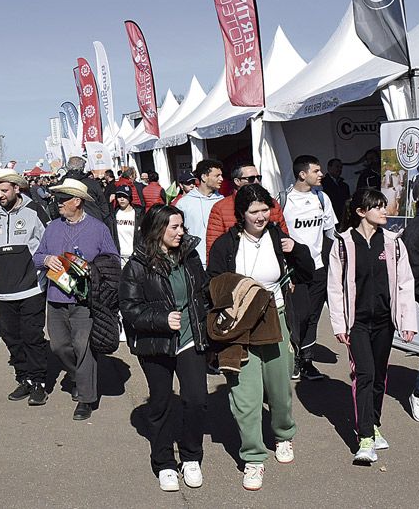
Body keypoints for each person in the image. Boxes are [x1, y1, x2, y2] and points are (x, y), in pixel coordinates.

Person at [207, 184, 311, 490]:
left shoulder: (278, 237)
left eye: (265, 209)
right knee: (245, 393)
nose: (261, 216)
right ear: (241, 214)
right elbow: (213, 283)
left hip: (276, 318)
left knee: (279, 388)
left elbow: (307, 273)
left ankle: (283, 435)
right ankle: (253, 457)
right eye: (254, 211)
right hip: (240, 327)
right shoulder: (226, 245)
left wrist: (298, 250)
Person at [119, 205, 210, 493]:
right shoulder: (137, 265)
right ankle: (164, 462)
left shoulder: (189, 256)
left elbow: (202, 291)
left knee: (196, 399)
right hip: (155, 344)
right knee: (160, 403)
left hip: (190, 338)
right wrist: (160, 319)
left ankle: (191, 455)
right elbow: (129, 309)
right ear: (158, 229)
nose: (181, 232)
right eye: (175, 227)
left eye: (182, 226)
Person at [327, 189, 419, 464]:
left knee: (380, 374)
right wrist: (339, 324)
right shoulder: (343, 244)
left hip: (384, 321)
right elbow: (335, 288)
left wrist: (407, 321)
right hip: (356, 322)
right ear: (360, 212)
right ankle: (365, 437)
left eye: (384, 206)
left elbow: (405, 284)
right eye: (378, 207)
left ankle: (374, 423)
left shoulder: (393, 243)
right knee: (364, 373)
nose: (384, 211)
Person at [34, 178, 120, 420]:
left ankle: (86, 397)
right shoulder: (52, 227)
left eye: (63, 199)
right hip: (56, 297)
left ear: (77, 201)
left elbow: (113, 260)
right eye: (58, 198)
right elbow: (37, 256)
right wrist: (46, 260)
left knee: (83, 347)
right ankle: (78, 375)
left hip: (85, 299)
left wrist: (91, 268)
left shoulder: (98, 228)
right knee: (59, 346)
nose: (58, 203)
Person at [0, 170, 51, 405]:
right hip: (3, 290)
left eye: (4, 190)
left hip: (31, 287)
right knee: (12, 338)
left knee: (32, 336)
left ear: (17, 189)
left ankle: (39, 382)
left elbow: (49, 240)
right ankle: (24, 379)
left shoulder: (34, 211)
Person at [281, 155, 337, 380]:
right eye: (316, 170)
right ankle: (292, 356)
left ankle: (306, 361)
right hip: (294, 270)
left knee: (313, 316)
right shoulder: (284, 199)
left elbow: (331, 232)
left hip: (319, 268)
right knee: (298, 316)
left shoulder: (322, 198)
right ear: (302, 174)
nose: (320, 174)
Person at [205, 163, 287, 262]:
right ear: (237, 181)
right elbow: (213, 247)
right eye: (251, 178)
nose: (256, 181)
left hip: (271, 263)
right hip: (237, 269)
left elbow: (284, 238)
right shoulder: (220, 208)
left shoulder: (272, 203)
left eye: (258, 177)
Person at [173, 159, 224, 266]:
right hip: (193, 260)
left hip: (219, 261)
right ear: (204, 177)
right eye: (217, 176)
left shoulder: (223, 201)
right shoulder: (184, 203)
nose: (221, 179)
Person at [62, 156, 112, 229]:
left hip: (70, 223)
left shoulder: (62, 183)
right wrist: (102, 219)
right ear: (82, 168)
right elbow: (103, 203)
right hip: (93, 221)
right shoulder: (91, 183)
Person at [112, 186, 143, 265]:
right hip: (119, 257)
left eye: (125, 196)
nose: (122, 199)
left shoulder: (138, 214)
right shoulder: (113, 215)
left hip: (135, 257)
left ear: (130, 197)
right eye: (119, 197)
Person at [322, 158, 352, 226]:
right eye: (337, 167)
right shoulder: (321, 183)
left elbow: (347, 203)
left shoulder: (344, 186)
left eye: (341, 167)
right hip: (328, 218)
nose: (339, 169)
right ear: (329, 168)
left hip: (342, 218)